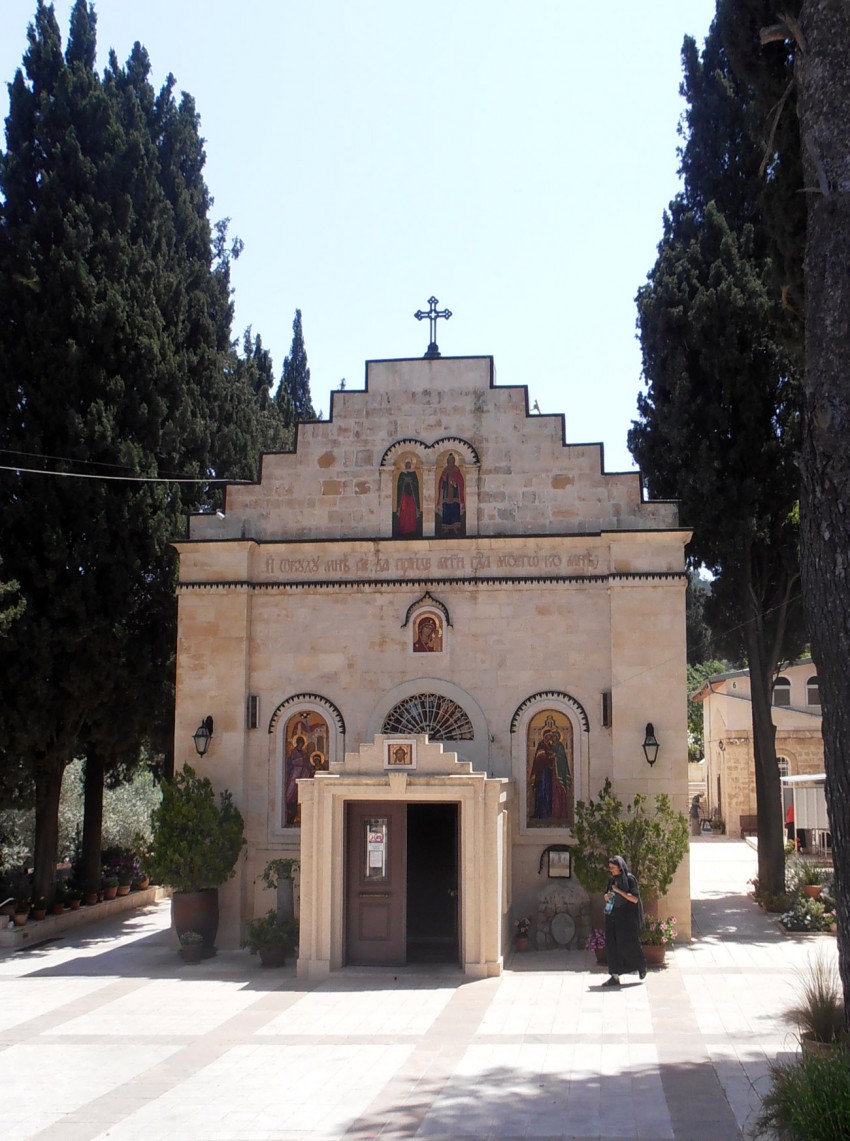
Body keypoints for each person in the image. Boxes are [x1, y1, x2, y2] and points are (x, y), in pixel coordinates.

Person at [602, 855, 646, 987]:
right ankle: (614, 976)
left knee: (629, 945)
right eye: (610, 868)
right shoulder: (612, 880)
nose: (611, 870)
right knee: (612, 945)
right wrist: (607, 896)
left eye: (613, 868)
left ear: (620, 868)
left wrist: (619, 891)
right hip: (613, 916)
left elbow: (634, 899)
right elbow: (606, 895)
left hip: (627, 918)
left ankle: (640, 966)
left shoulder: (630, 879)